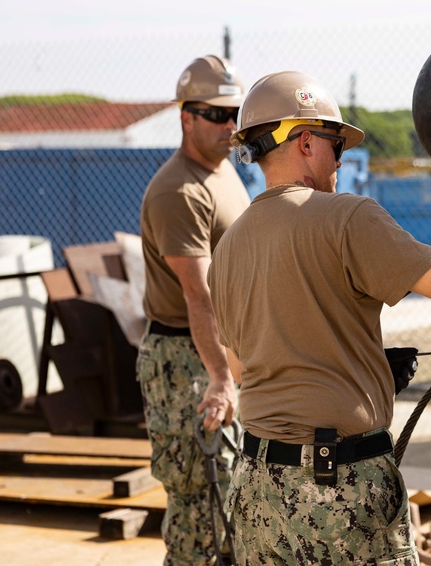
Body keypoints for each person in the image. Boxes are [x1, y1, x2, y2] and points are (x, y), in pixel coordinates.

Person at [207, 70, 431, 566]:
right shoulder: (347, 217)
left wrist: (358, 365)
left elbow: (244, 368)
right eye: (336, 146)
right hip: (338, 489)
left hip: (258, 490)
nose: (340, 162)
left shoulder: (229, 246)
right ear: (304, 142)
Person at [138, 54, 250, 565]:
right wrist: (221, 378)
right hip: (188, 359)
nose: (231, 125)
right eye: (218, 115)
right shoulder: (178, 190)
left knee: (229, 494)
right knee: (198, 505)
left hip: (218, 353)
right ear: (187, 116)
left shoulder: (223, 171)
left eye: (235, 114)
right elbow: (198, 294)